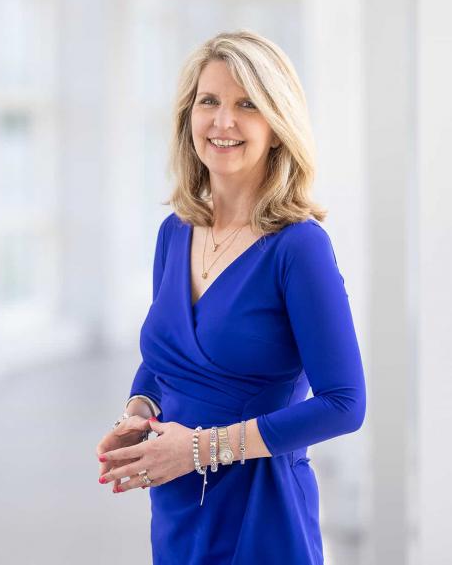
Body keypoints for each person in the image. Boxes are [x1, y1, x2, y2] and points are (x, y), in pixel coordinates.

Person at [94, 30, 367, 564]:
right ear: (187, 118)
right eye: (209, 101)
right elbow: (163, 360)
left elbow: (344, 405)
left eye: (247, 104)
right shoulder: (174, 232)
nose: (223, 121)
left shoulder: (299, 247)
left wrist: (199, 449)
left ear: (277, 125)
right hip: (177, 506)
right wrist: (139, 412)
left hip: (262, 512)